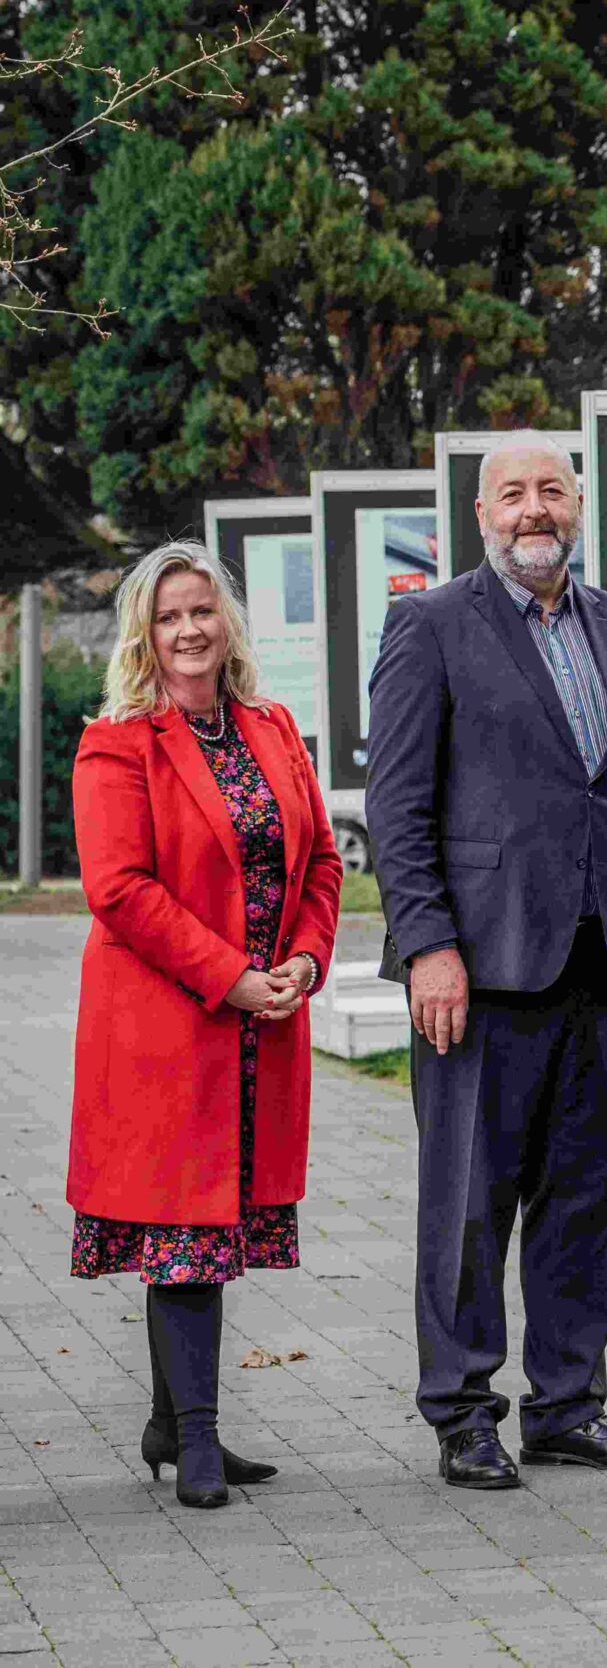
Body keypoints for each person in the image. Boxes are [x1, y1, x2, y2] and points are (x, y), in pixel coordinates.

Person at [367, 433, 607, 1490]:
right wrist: (428, 947)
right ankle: (460, 1410)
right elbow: (398, 808)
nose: (533, 510)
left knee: (588, 1192)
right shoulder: (429, 626)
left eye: (551, 491)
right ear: (481, 510)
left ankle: (569, 1405)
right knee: (468, 1198)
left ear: (577, 504)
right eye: (513, 494)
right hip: (480, 966)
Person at [68, 542, 343, 1510]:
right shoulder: (118, 742)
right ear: (144, 634)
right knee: (187, 1230)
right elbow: (119, 890)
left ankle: (168, 1420)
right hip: (171, 1027)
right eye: (169, 616)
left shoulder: (271, 727)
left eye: (202, 611)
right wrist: (231, 978)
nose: (189, 630)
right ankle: (197, 1440)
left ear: (228, 621)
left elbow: (320, 863)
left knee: (221, 1226)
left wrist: (305, 961)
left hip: (264, 1022)